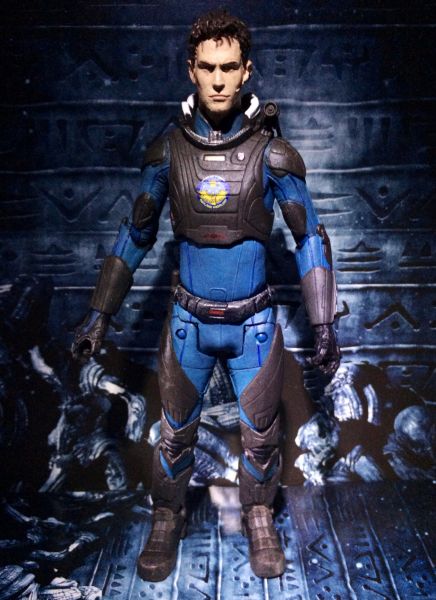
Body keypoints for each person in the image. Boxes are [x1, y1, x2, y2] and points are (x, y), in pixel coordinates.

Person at [72, 9, 340, 581]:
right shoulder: (168, 152)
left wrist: (323, 325)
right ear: (191, 70)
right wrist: (98, 317)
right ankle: (166, 517)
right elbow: (134, 235)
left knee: (261, 437)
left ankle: (259, 516)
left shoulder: (273, 155)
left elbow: (309, 238)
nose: (218, 80)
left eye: (229, 68)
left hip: (253, 323)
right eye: (208, 68)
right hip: (189, 322)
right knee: (174, 434)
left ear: (246, 72)